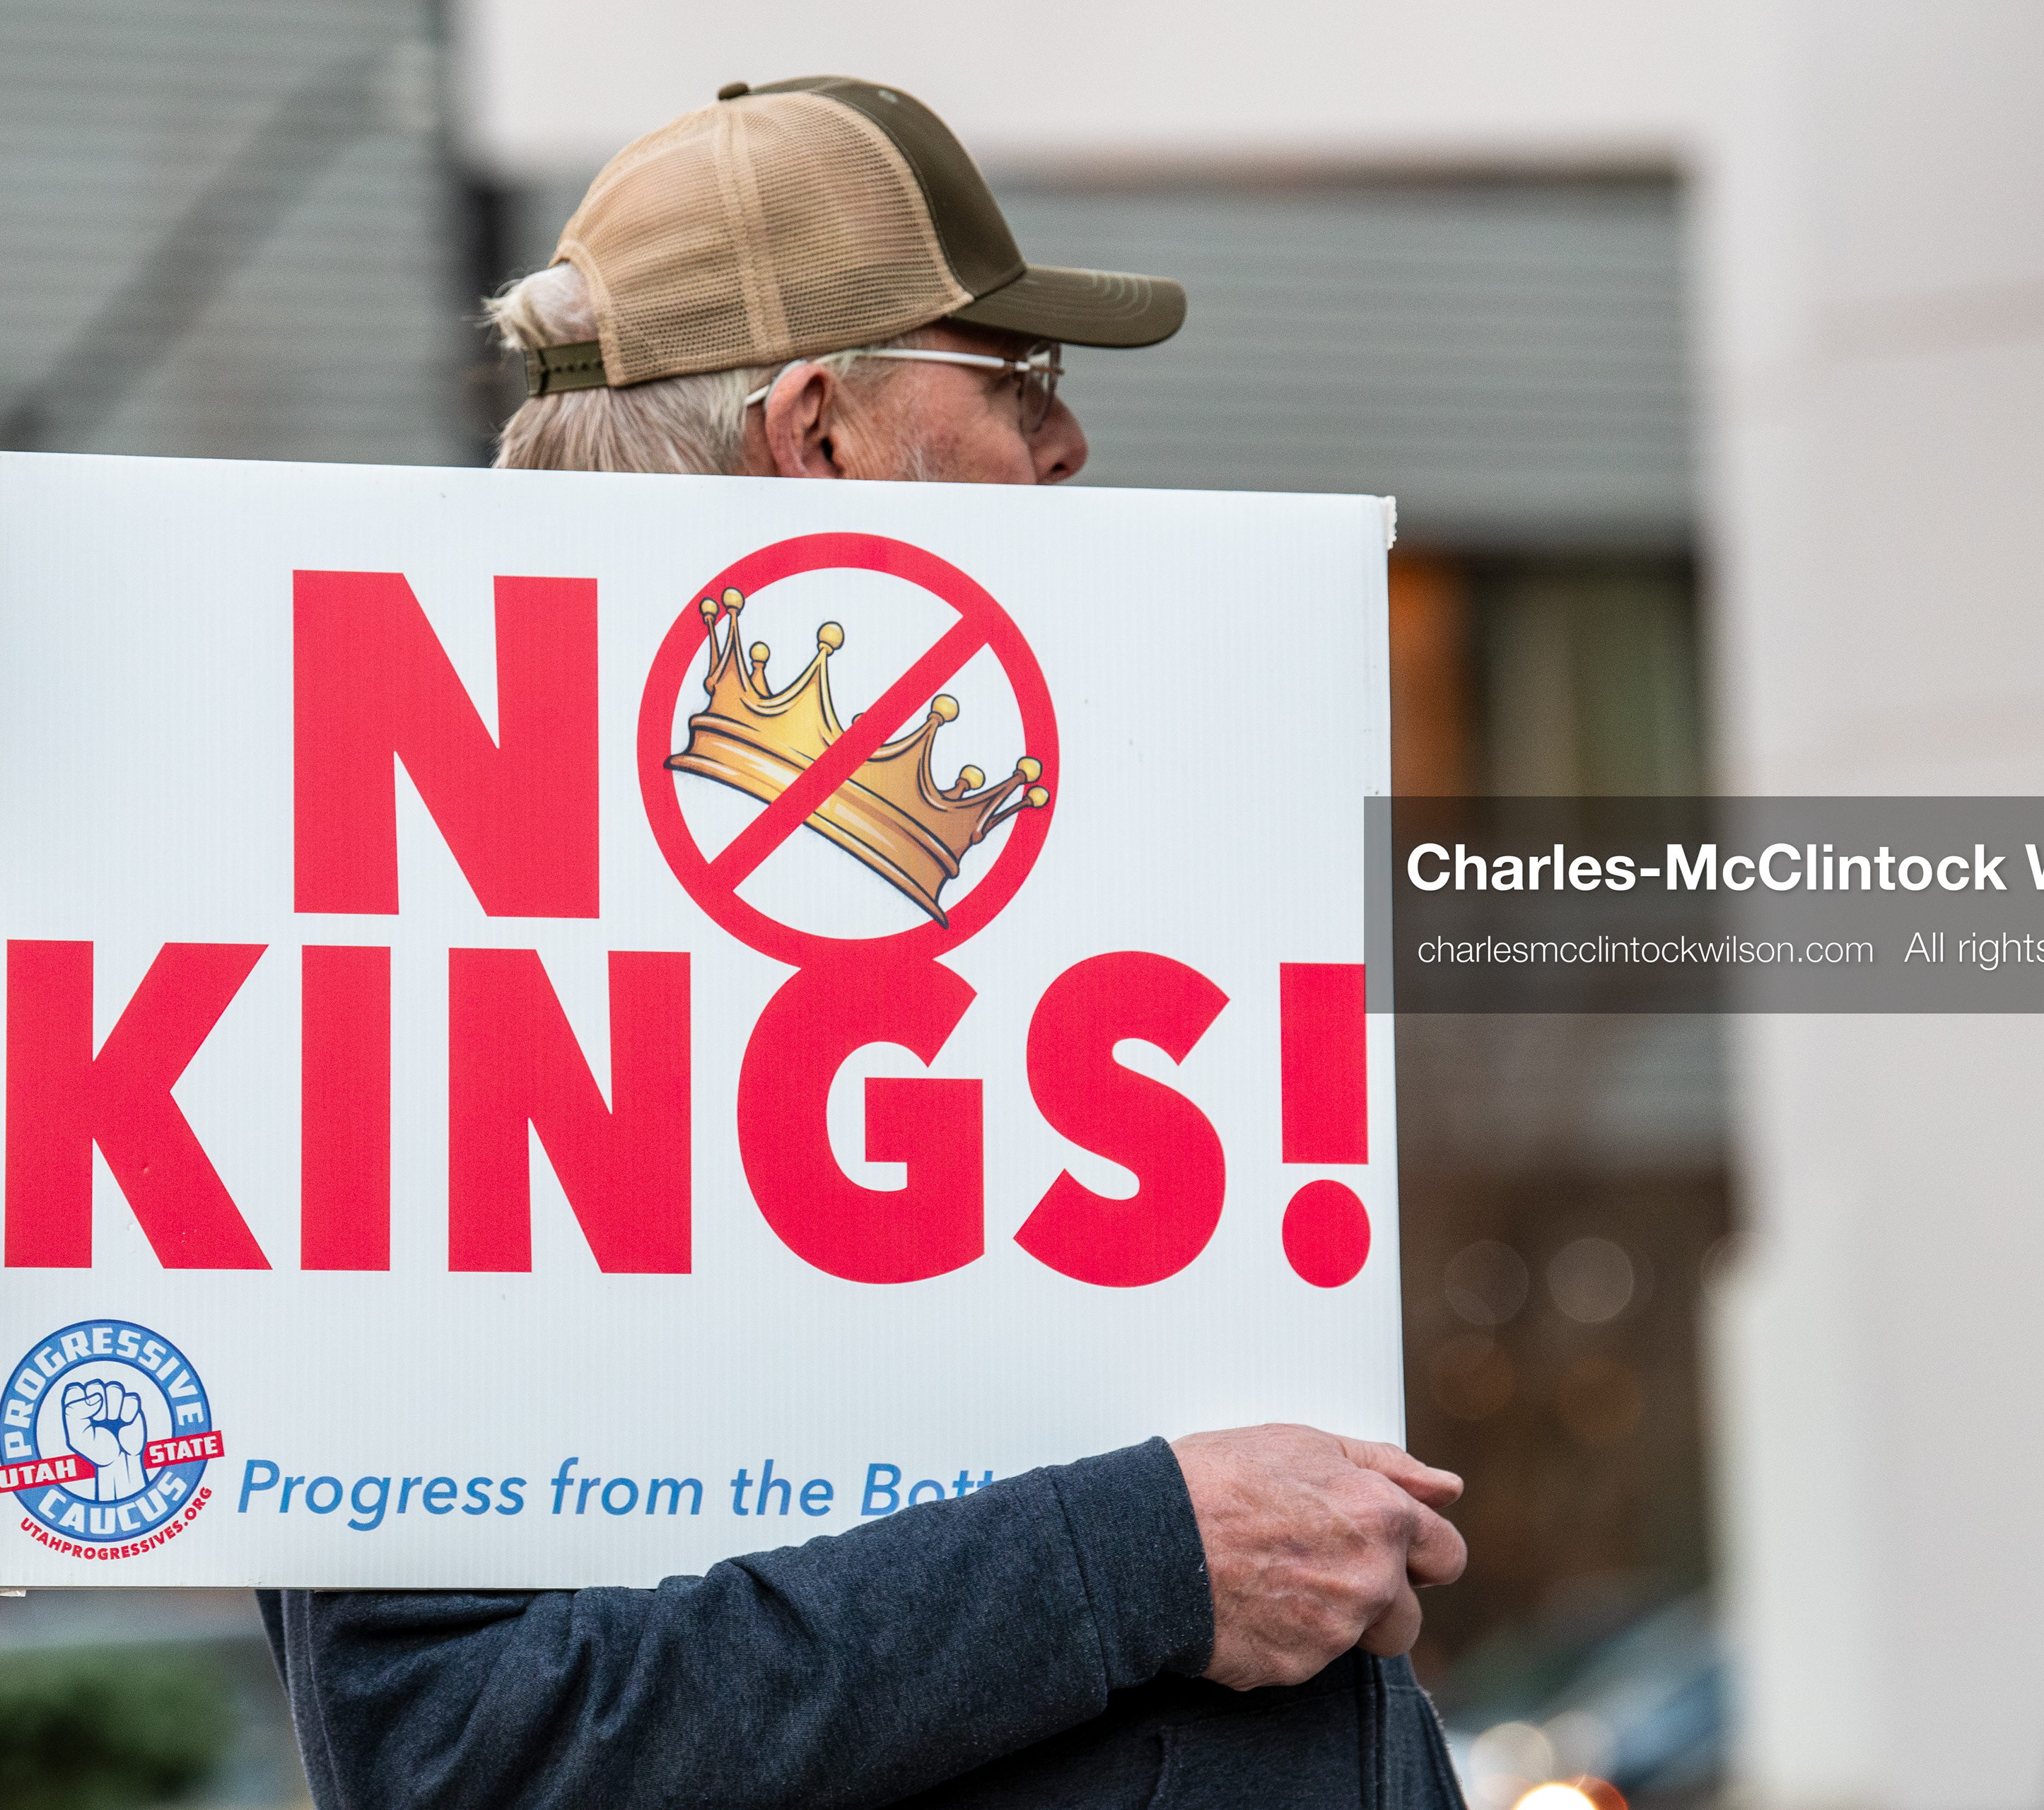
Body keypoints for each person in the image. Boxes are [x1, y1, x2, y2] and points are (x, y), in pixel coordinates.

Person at [261, 76, 1471, 1809]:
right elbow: (455, 1745)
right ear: (819, 432)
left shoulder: (1058, 887)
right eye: (1015, 383)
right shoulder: (435, 980)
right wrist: (1141, 1554)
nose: (1066, 445)